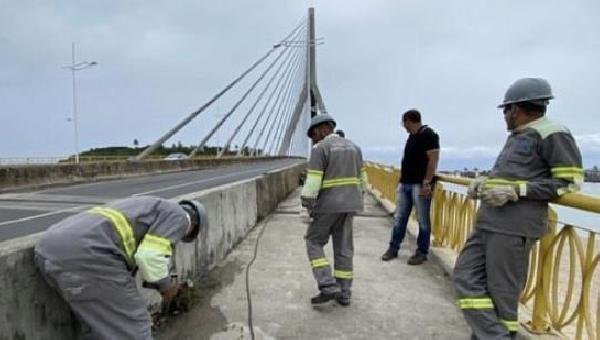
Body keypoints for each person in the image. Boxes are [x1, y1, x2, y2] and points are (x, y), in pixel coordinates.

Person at [453, 78, 583, 338]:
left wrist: (518, 190)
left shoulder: (552, 133)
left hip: (513, 228)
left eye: (505, 110)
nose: (504, 116)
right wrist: (485, 182)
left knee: (502, 293)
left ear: (514, 109)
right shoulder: (519, 135)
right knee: (465, 277)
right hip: (489, 221)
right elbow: (513, 173)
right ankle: (492, 335)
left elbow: (570, 182)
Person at [34, 196, 208, 339]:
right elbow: (150, 257)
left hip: (48, 250)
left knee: (100, 328)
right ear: (193, 226)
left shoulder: (148, 205)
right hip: (89, 256)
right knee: (135, 327)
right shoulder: (180, 217)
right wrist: (167, 288)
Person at [301, 114, 366, 306]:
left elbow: (312, 183)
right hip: (351, 205)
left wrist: (306, 206)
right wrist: (357, 200)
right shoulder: (355, 147)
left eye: (313, 134)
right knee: (344, 248)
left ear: (324, 128)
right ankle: (344, 292)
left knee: (313, 241)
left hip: (328, 205)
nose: (313, 139)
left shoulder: (321, 149)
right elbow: (364, 181)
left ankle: (327, 284)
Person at [381, 109, 440, 265]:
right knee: (399, 218)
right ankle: (393, 248)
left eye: (404, 123)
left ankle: (422, 252)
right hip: (405, 183)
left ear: (410, 120)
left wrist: (427, 182)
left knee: (423, 221)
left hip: (419, 185)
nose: (404, 127)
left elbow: (433, 160)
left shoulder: (429, 135)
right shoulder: (412, 137)